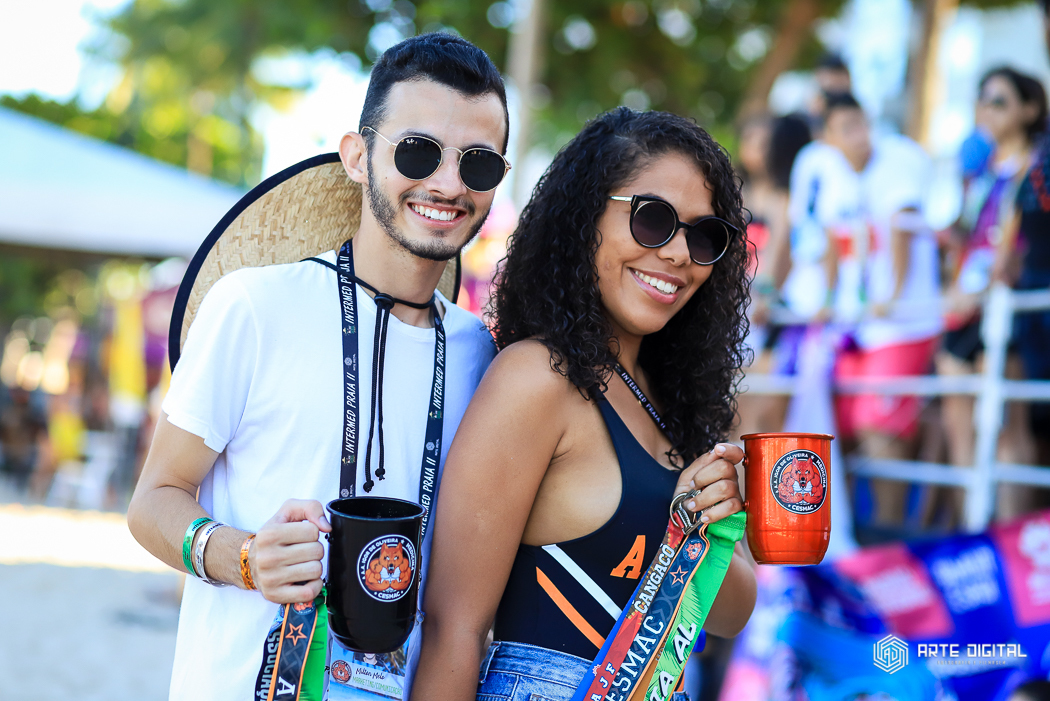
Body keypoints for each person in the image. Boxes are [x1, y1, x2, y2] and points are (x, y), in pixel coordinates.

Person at [127, 33, 507, 700]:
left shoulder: (481, 353)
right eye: (418, 151)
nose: (449, 184)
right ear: (357, 156)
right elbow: (152, 501)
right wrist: (245, 556)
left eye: (477, 164)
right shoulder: (254, 305)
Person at [411, 108, 757, 701]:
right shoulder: (537, 378)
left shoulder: (680, 402)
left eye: (704, 236)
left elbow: (730, 615)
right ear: (584, 216)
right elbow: (454, 629)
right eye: (653, 219)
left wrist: (702, 529)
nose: (679, 253)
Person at [817, 93, 942, 527]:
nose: (858, 135)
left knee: (880, 425)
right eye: (846, 128)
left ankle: (888, 533)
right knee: (842, 426)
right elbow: (833, 246)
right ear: (828, 137)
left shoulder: (897, 162)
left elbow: (901, 232)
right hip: (858, 326)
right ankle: (854, 532)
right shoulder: (833, 176)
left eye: (861, 123)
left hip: (902, 324)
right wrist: (828, 301)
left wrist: (892, 296)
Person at [937, 66, 1046, 521]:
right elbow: (966, 235)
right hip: (966, 306)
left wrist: (984, 286)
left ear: (1030, 110)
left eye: (999, 101)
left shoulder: (1037, 168)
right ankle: (973, 533)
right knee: (959, 422)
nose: (986, 110)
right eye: (982, 100)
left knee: (1006, 426)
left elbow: (1022, 247)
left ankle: (1010, 537)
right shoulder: (979, 172)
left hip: (1007, 308)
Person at [736, 113, 812, 437]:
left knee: (761, 405)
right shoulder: (734, 194)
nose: (759, 149)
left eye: (766, 143)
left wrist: (764, 294)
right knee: (734, 408)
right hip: (734, 306)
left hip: (764, 311)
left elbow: (780, 252)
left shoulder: (783, 198)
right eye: (752, 141)